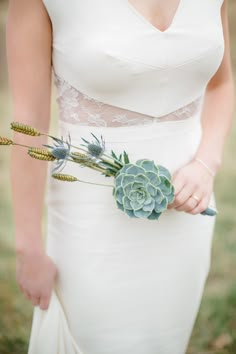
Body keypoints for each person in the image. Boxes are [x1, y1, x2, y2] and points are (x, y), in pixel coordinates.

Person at [6, 0, 235, 353]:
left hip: (185, 219)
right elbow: (29, 126)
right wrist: (29, 248)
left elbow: (221, 84)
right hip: (91, 226)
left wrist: (207, 164)